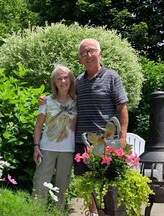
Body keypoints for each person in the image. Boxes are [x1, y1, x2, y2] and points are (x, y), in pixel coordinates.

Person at [39, 38, 129, 216]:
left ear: (100, 53)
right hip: (82, 140)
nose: (88, 55)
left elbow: (122, 108)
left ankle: (113, 212)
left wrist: (123, 136)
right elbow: (62, 95)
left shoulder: (112, 77)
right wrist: (44, 100)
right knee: (85, 180)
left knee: (110, 181)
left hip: (108, 141)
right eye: (83, 53)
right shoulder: (78, 81)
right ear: (79, 59)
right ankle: (93, 213)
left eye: (91, 51)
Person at [32, 64, 77, 209]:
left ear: (70, 80)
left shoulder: (77, 101)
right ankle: (36, 212)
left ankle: (58, 212)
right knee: (40, 184)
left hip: (68, 150)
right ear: (54, 82)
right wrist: (36, 147)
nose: (63, 81)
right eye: (59, 78)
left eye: (66, 78)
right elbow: (38, 125)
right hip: (46, 149)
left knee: (62, 187)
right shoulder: (46, 101)